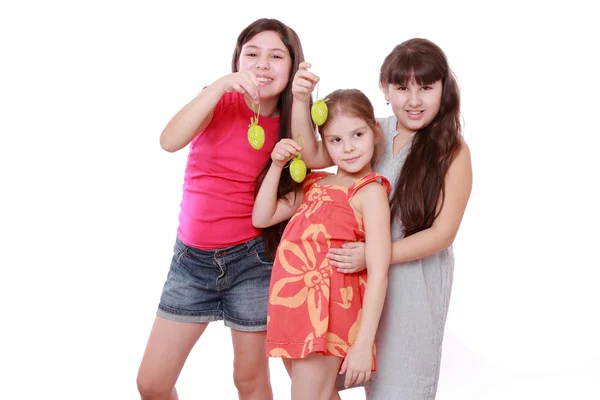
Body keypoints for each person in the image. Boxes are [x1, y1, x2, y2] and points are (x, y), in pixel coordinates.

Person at [292, 38, 473, 399]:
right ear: (385, 89)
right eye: (402, 87)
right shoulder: (373, 131)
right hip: (353, 286)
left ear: (443, 89)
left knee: (398, 388)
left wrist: (375, 254)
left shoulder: (452, 150)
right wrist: (300, 100)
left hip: (410, 289)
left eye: (426, 87)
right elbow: (310, 154)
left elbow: (443, 234)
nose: (414, 100)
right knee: (318, 382)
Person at [136, 18, 307, 400]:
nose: (263, 64)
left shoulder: (293, 121)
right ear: (237, 61)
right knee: (151, 382)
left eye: (276, 56)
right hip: (190, 263)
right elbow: (169, 140)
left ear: (292, 67)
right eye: (252, 54)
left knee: (248, 380)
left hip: (252, 261)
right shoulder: (217, 99)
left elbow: (307, 176)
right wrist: (218, 86)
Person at [252, 88, 392, 400]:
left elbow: (380, 271)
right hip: (294, 309)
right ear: (324, 143)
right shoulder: (316, 182)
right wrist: (277, 166)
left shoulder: (370, 192)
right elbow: (263, 216)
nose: (349, 148)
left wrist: (362, 344)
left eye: (358, 134)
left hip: (328, 314)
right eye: (336, 140)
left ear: (375, 132)